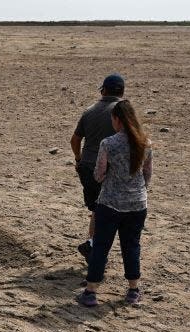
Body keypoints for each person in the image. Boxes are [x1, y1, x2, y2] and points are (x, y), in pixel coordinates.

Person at [77, 100, 152, 307]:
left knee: (101, 246)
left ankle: (91, 292)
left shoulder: (108, 144)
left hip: (110, 202)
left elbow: (99, 175)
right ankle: (133, 290)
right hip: (137, 204)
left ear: (117, 119)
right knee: (132, 246)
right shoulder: (145, 143)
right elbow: (147, 176)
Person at [71, 74, 125, 261]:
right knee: (108, 211)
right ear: (122, 91)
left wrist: (78, 159)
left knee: (97, 207)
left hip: (87, 166)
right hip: (110, 169)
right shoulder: (122, 111)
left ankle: (92, 244)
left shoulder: (90, 110)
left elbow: (75, 139)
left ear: (103, 90)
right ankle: (95, 247)